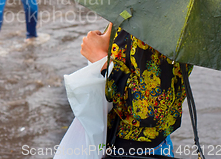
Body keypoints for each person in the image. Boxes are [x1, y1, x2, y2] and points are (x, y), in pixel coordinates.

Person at [81, 23, 192, 156]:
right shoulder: (140, 13)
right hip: (139, 143)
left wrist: (102, 61)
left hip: (134, 150)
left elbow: (149, 110)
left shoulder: (156, 25)